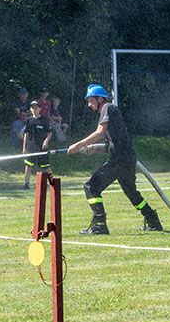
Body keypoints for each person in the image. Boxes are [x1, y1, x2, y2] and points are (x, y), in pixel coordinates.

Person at [68, 84, 162, 234]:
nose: (89, 105)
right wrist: (94, 149)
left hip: (119, 159)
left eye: (91, 100)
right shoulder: (109, 112)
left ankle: (99, 224)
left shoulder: (107, 107)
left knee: (91, 187)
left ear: (100, 99)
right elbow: (112, 144)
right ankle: (153, 220)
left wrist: (78, 145)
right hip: (125, 158)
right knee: (131, 193)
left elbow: (99, 133)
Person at [22, 100, 53, 189]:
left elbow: (49, 132)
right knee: (28, 165)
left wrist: (46, 141)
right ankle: (26, 184)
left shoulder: (44, 120)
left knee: (45, 166)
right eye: (32, 108)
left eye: (36, 107)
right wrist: (24, 148)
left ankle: (52, 182)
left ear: (39, 108)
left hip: (41, 147)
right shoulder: (29, 120)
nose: (34, 109)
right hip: (31, 146)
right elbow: (26, 134)